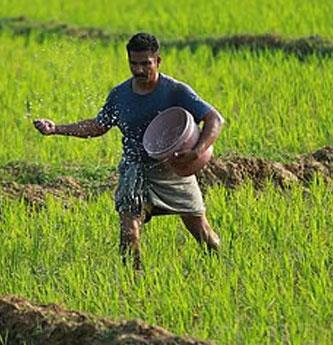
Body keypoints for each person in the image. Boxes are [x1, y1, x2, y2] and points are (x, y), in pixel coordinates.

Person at [33, 32, 224, 270]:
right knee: (129, 231)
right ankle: (133, 281)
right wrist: (57, 129)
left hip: (173, 171)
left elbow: (214, 119)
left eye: (146, 63)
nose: (139, 69)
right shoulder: (120, 94)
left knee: (203, 233)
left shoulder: (176, 91)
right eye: (134, 63)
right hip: (135, 170)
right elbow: (98, 125)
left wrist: (197, 151)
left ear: (158, 61)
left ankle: (223, 267)